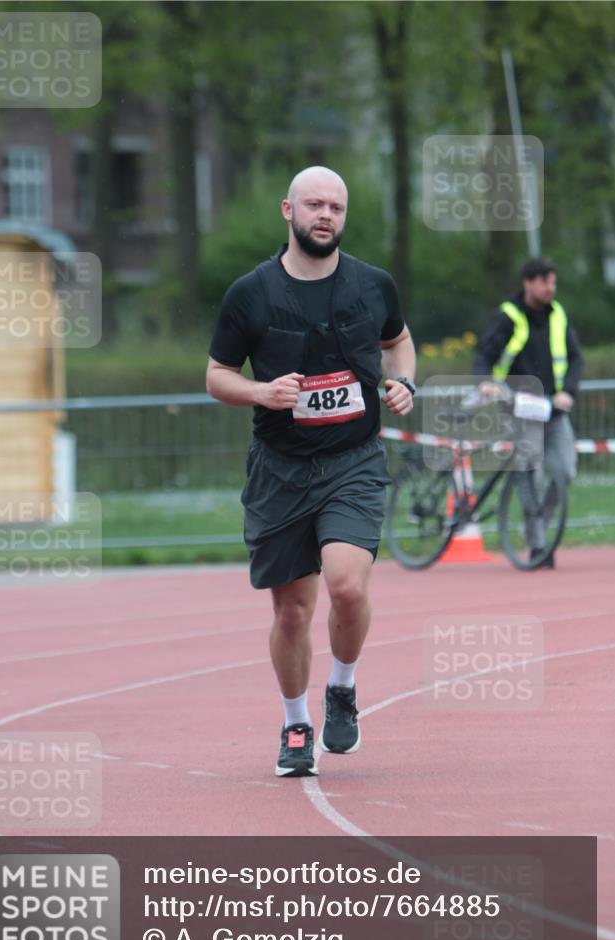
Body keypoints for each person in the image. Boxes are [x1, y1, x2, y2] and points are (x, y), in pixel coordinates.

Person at [206, 165, 416, 777]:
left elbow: (399, 342)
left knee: (347, 586)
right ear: (288, 211)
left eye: (336, 207)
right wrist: (261, 393)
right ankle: (296, 723)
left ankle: (342, 687)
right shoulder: (250, 293)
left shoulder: (373, 284)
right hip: (281, 469)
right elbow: (217, 376)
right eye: (314, 205)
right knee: (293, 611)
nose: (326, 215)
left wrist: (404, 382)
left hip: (353, 462)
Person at [473, 256, 584, 567]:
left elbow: (575, 358)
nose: (551, 288)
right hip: (519, 408)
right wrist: (485, 383)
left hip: (553, 409)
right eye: (545, 282)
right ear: (528, 283)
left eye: (553, 282)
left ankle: (538, 525)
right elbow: (484, 354)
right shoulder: (508, 316)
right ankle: (538, 545)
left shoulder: (558, 314)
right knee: (529, 474)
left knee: (565, 470)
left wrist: (568, 391)